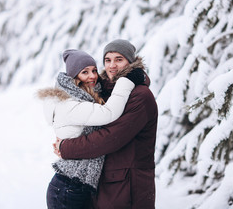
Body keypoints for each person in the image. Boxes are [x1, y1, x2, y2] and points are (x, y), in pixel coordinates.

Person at [55, 39, 158, 209]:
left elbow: (111, 138)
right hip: (107, 184)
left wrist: (66, 148)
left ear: (130, 62)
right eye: (107, 60)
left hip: (130, 186)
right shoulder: (105, 90)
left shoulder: (140, 96)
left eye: (119, 59)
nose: (112, 66)